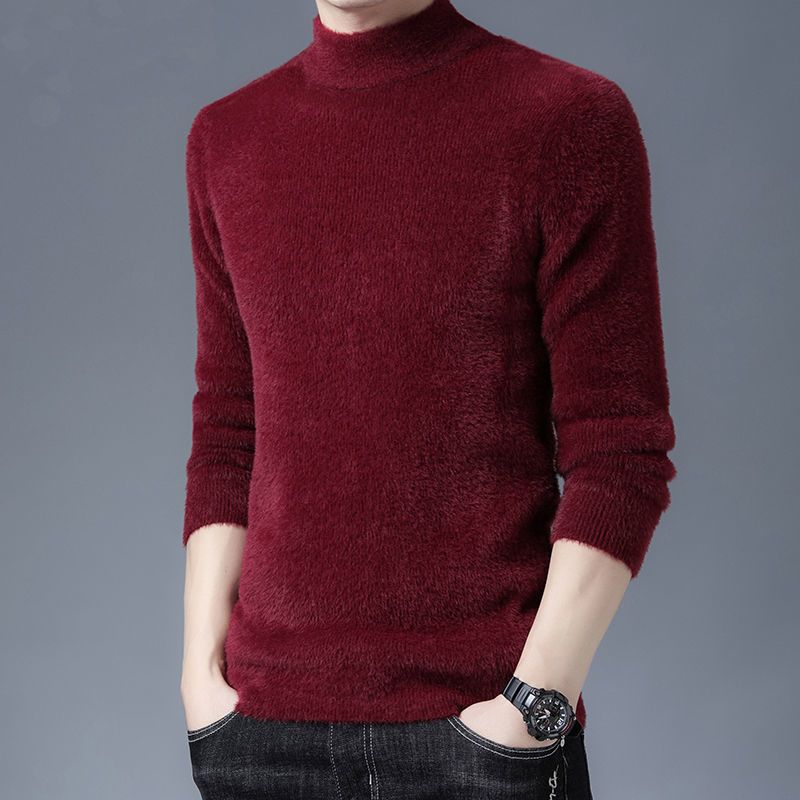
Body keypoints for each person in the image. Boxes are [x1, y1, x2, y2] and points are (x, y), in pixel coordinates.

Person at [179, 0, 677, 797]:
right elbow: (230, 427)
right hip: (260, 737)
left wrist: (532, 707)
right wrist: (200, 679)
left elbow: (621, 451)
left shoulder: (566, 119)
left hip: (481, 734)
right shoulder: (227, 139)